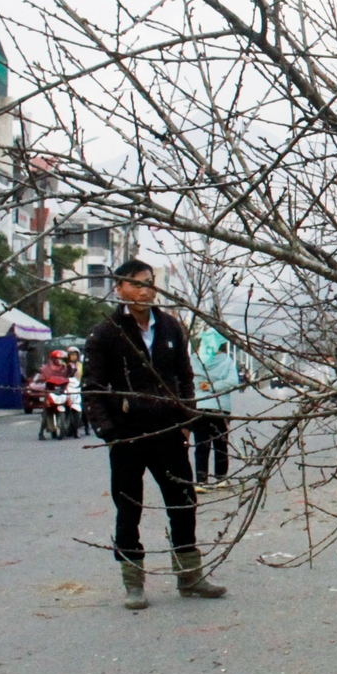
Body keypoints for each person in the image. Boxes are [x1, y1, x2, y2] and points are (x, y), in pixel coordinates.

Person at [82, 259, 226, 609]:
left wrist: (186, 421)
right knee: (128, 509)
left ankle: (190, 577)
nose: (146, 289)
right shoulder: (106, 332)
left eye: (150, 282)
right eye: (137, 284)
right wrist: (110, 432)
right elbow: (93, 388)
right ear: (120, 289)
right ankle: (133, 582)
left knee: (183, 503)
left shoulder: (170, 328)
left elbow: (185, 379)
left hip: (168, 434)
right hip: (128, 437)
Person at [189, 329, 240, 489]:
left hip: (199, 406)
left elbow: (186, 379)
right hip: (220, 408)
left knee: (201, 445)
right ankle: (221, 478)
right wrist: (214, 387)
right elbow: (233, 381)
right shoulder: (226, 361)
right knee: (221, 444)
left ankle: (201, 480)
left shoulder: (193, 360)